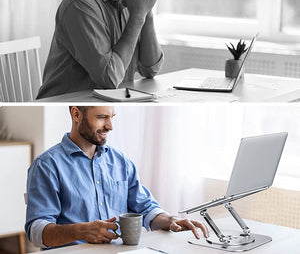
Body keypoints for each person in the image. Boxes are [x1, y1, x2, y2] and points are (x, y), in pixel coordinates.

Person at [25, 106, 209, 249]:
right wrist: (81, 230)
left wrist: (170, 220)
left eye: (111, 117)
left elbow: (145, 207)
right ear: (76, 114)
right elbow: (36, 232)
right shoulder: (46, 165)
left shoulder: (120, 161)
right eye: (102, 117)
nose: (110, 126)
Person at [37, 0, 173, 99]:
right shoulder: (80, 4)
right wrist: (138, 16)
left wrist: (147, 11)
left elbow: (150, 69)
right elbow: (110, 78)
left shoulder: (133, 1)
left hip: (107, 104)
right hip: (63, 105)